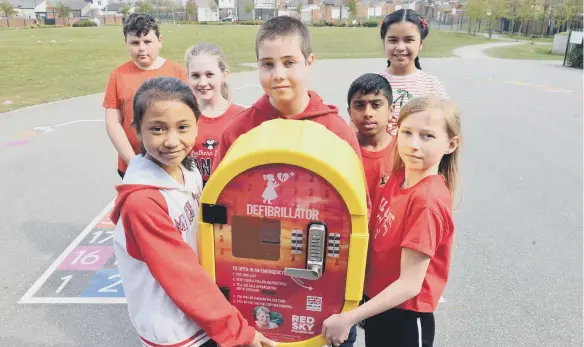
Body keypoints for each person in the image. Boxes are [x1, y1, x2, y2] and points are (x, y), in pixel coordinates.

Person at [211, 15, 366, 347]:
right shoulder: (238, 131)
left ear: (309, 63)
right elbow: (216, 210)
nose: (277, 73)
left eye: (288, 62)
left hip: (320, 294)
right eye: (267, 64)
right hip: (254, 286)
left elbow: (357, 215)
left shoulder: (336, 131)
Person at [111, 76, 277, 347]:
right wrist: (238, 332)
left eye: (183, 127)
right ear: (137, 130)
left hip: (202, 314)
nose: (172, 141)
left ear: (197, 125)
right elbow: (181, 276)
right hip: (173, 328)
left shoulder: (188, 173)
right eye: (157, 129)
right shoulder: (143, 203)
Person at [322, 96, 461, 347]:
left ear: (451, 144)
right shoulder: (397, 178)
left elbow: (409, 285)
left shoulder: (427, 201)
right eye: (406, 132)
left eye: (427, 136)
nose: (413, 144)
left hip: (405, 316)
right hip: (380, 307)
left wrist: (349, 318)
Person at [103, 13, 188, 179]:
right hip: (132, 164)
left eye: (147, 42)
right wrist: (134, 162)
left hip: (171, 163)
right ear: (126, 44)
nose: (142, 48)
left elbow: (188, 119)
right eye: (135, 43)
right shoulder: (118, 75)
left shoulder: (177, 72)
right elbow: (112, 122)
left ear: (160, 41)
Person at [378, 9, 449, 135]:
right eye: (393, 40)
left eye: (408, 40)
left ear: (420, 44)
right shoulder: (373, 84)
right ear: (384, 42)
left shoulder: (432, 86)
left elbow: (446, 129)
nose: (400, 47)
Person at [184, 43, 245, 184]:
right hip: (192, 197)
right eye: (195, 76)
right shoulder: (182, 116)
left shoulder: (241, 118)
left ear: (224, 75)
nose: (202, 82)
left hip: (228, 196)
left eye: (209, 74)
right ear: (187, 76)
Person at [347, 73, 396, 208]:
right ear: (349, 113)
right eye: (359, 106)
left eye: (376, 105)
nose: (368, 113)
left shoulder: (404, 151)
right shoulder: (343, 151)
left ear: (391, 111)